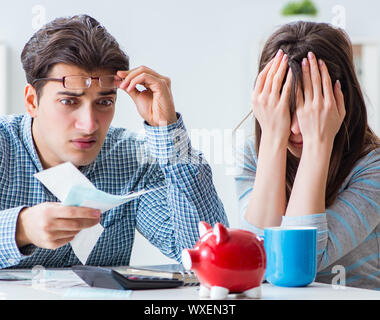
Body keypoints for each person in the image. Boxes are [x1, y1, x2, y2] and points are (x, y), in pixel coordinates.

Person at [0, 14, 228, 269]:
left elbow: (210, 256)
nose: (89, 124)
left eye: (104, 102)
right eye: (69, 101)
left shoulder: (133, 160)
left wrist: (168, 129)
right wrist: (20, 229)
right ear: (32, 101)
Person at [235, 21, 380, 289]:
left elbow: (295, 266)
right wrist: (272, 141)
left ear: (341, 102)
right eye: (285, 108)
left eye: (309, 109)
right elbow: (256, 264)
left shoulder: (373, 168)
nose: (295, 128)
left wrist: (318, 142)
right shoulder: (251, 155)